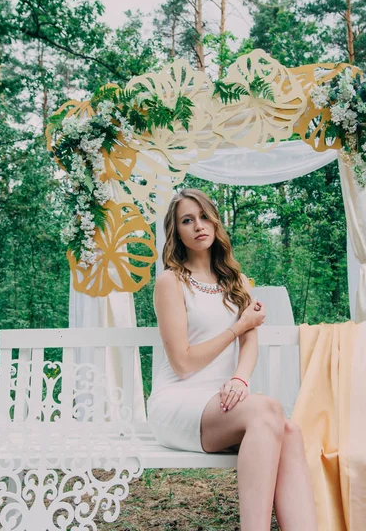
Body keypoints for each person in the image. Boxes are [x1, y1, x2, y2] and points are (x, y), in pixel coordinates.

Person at [147, 188, 317, 531]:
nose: (199, 225)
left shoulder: (235, 281)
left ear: (216, 222)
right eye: (187, 220)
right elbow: (183, 363)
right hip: (180, 400)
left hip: (224, 398)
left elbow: (249, 343)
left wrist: (239, 378)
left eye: (205, 216)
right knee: (269, 409)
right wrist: (238, 327)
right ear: (176, 232)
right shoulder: (170, 282)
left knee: (290, 430)